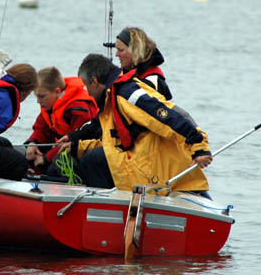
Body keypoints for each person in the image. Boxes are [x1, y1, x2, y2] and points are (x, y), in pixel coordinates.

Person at [60, 53, 213, 194]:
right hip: (147, 168)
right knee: (92, 159)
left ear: (94, 81)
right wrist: (77, 145)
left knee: (93, 160)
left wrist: (199, 147)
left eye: (86, 86)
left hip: (165, 175)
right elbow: (113, 144)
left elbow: (168, 115)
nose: (87, 92)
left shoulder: (127, 94)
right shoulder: (112, 98)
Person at [24, 67, 98, 175]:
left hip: (79, 150)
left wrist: (45, 158)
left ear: (57, 91)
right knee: (27, 158)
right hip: (58, 147)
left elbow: (77, 140)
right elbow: (41, 129)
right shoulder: (49, 105)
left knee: (55, 166)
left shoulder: (78, 109)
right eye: (36, 96)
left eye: (41, 96)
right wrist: (33, 143)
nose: (38, 101)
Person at [115, 27, 172, 100]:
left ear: (135, 51)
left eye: (121, 50)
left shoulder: (152, 81)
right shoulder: (123, 73)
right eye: (117, 49)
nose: (116, 54)